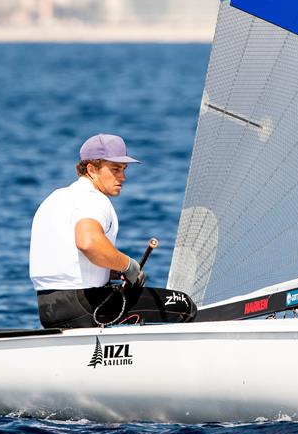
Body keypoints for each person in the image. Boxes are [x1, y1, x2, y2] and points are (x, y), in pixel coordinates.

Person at [29, 133, 195, 328]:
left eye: (124, 169)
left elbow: (68, 261)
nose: (123, 177)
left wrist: (112, 271)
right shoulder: (93, 199)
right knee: (183, 305)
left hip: (49, 309)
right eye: (115, 169)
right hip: (85, 305)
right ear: (91, 169)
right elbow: (87, 242)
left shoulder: (55, 199)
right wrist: (128, 265)